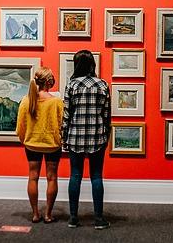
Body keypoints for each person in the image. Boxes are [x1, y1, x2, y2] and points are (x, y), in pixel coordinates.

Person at [61, 50, 111, 230]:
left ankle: (73, 218)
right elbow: (106, 115)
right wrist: (107, 136)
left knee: (75, 176)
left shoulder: (72, 85)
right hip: (97, 135)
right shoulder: (103, 85)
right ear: (92, 64)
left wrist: (64, 137)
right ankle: (99, 219)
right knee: (96, 176)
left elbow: (66, 115)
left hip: (75, 136)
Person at [16, 67, 63, 224]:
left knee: (33, 177)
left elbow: (20, 127)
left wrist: (25, 140)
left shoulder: (26, 100)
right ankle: (48, 215)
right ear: (49, 82)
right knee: (52, 177)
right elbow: (62, 124)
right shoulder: (56, 102)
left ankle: (35, 214)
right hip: (52, 146)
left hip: (32, 145)